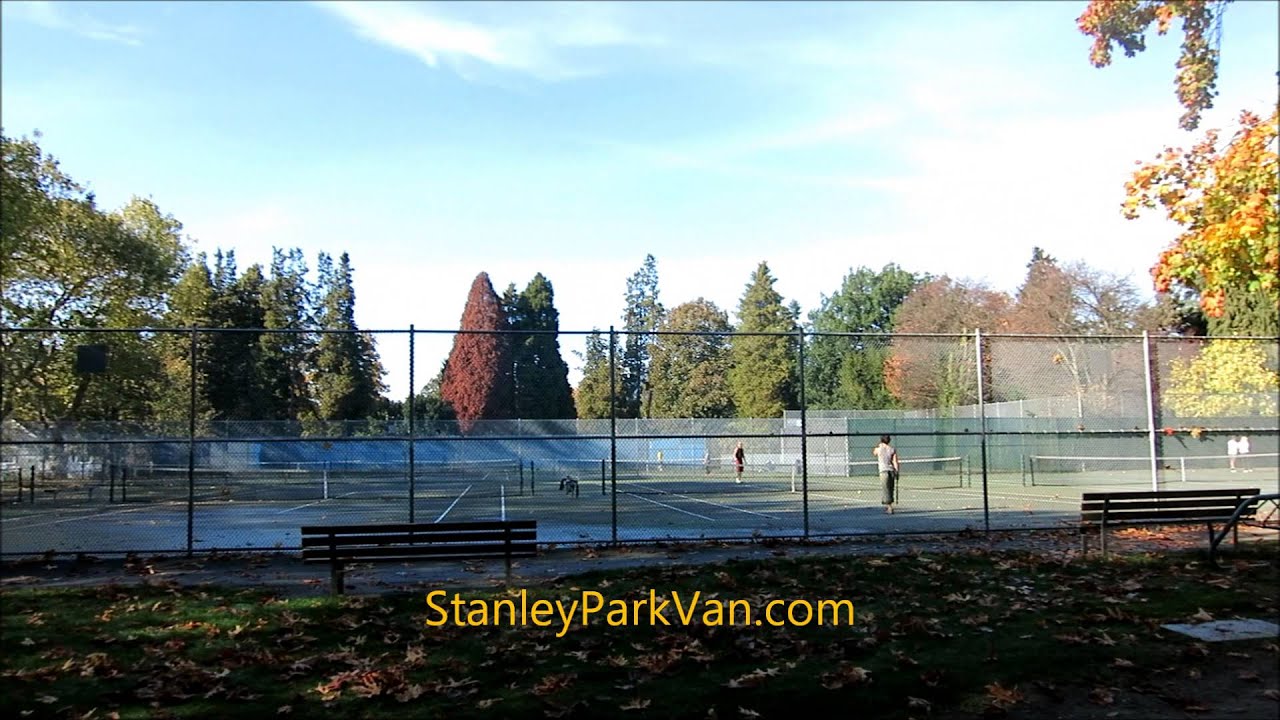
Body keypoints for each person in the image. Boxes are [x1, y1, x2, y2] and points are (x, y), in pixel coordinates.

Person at [873, 435, 900, 514]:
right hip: (891, 470)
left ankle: (889, 507)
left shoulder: (879, 449)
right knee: (890, 489)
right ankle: (889, 505)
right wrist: (897, 471)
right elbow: (895, 462)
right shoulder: (892, 449)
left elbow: (874, 452)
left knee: (886, 489)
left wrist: (879, 445)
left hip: (884, 471)